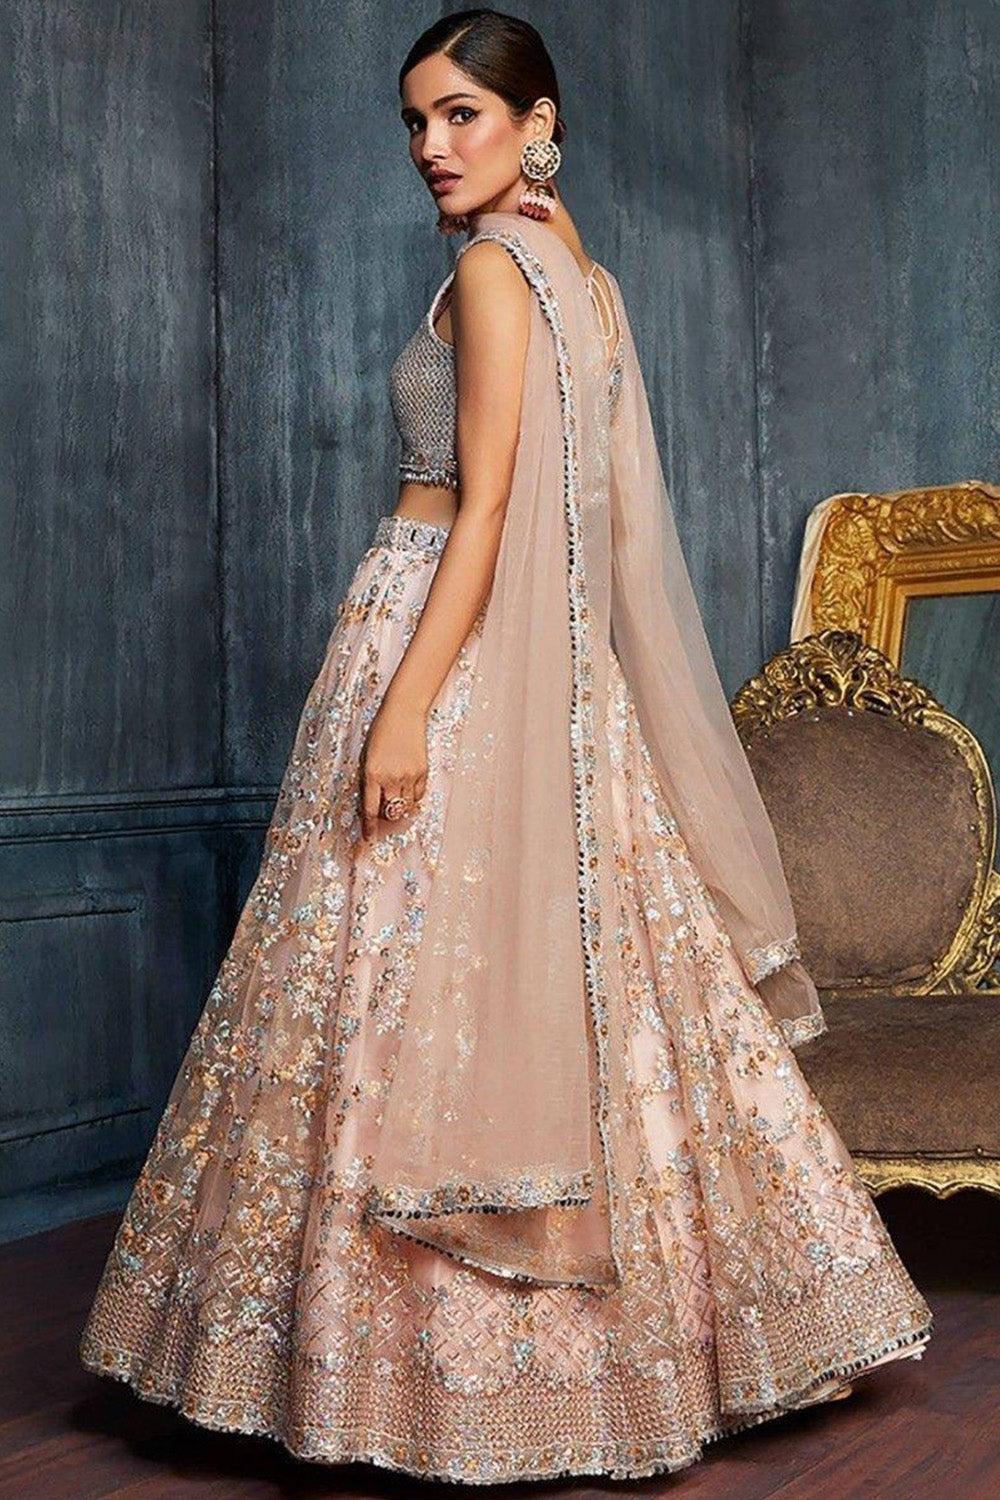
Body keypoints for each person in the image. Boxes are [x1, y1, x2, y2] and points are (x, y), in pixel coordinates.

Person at [79, 7, 933, 1486]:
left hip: (444, 634)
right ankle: (681, 1346)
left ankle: (403, 1376)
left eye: (461, 114)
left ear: (537, 122)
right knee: (573, 971)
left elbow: (482, 507)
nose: (430, 145)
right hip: (540, 668)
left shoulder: (491, 269)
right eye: (416, 122)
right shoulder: (570, 266)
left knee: (399, 970)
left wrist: (408, 705)